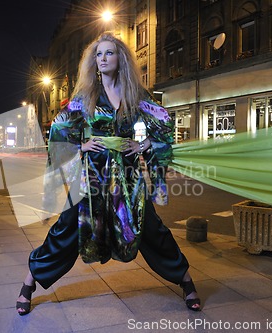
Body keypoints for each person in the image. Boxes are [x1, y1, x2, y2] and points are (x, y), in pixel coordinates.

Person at [16, 32, 201, 315]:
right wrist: (81, 145)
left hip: (127, 175)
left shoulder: (136, 95)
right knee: (67, 226)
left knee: (151, 227)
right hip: (92, 174)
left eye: (109, 53)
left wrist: (145, 144)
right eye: (98, 54)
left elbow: (163, 122)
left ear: (120, 59)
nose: (102, 59)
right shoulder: (85, 96)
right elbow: (59, 129)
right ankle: (29, 283)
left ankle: (186, 281)